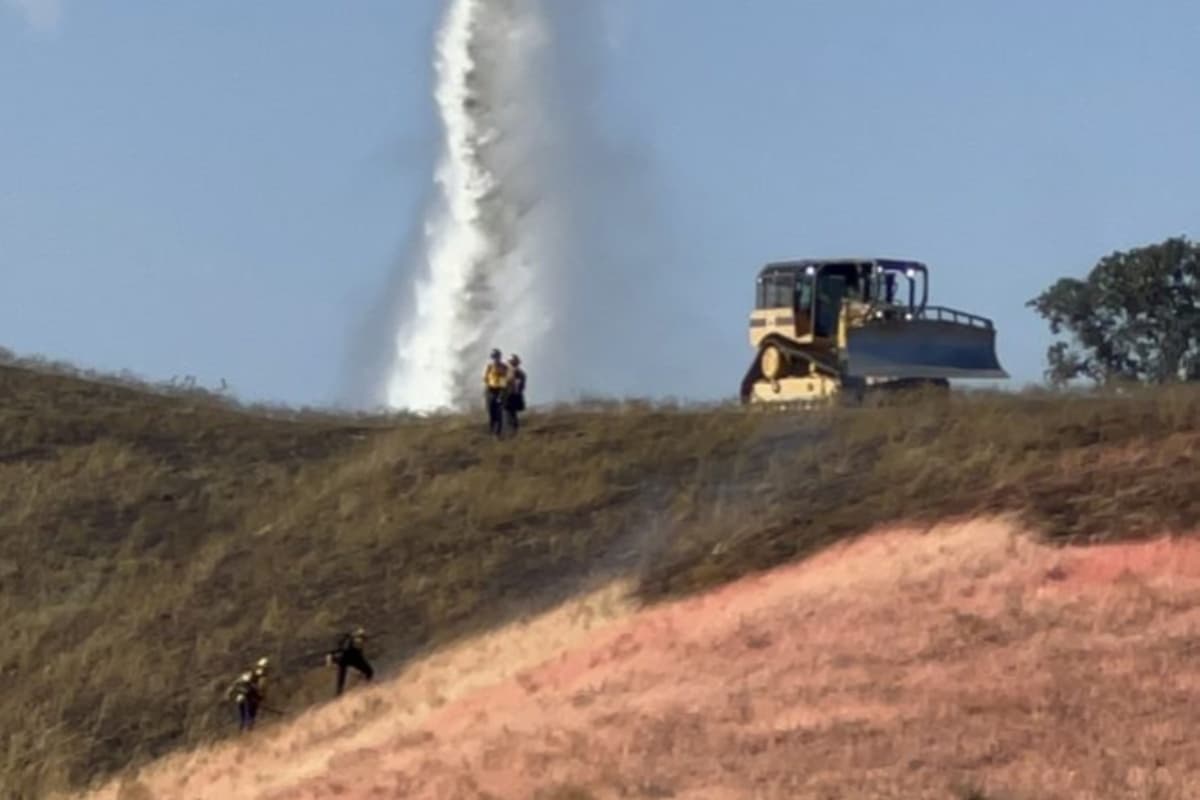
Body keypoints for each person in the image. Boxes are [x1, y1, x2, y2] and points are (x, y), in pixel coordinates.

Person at [326, 625, 374, 696]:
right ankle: (340, 694)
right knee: (341, 681)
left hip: (349, 658)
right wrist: (330, 659)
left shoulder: (353, 641)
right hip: (347, 659)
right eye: (361, 637)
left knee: (369, 672)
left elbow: (360, 656)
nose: (362, 640)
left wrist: (331, 659)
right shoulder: (351, 641)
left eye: (363, 638)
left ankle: (364, 686)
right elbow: (334, 652)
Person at [482, 348, 510, 438]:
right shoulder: (489, 366)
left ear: (499, 357)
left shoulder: (504, 367)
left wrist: (501, 393)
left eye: (497, 356)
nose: (495, 358)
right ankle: (492, 430)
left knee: (499, 411)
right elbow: (485, 378)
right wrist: (489, 384)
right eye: (494, 357)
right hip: (490, 390)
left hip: (500, 390)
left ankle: (498, 433)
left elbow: (504, 379)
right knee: (491, 411)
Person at [504, 354, 527, 434]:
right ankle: (512, 429)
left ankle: (513, 430)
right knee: (509, 413)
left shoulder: (517, 372)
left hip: (511, 395)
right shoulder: (509, 370)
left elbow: (521, 383)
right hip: (509, 394)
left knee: (510, 412)